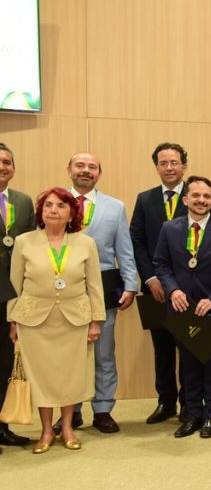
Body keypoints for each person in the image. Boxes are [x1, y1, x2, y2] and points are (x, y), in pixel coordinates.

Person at [8, 188, 105, 453]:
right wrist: (12, 320)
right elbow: (15, 284)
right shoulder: (24, 242)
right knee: (42, 377)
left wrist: (96, 321)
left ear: (71, 213)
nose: (54, 210)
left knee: (70, 377)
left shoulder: (86, 243)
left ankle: (68, 428)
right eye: (48, 205)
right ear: (41, 212)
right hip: (34, 321)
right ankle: (46, 431)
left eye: (61, 205)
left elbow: (94, 285)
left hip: (74, 320)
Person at [154, 176, 211, 439]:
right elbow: (161, 264)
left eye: (206, 196)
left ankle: (210, 416)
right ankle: (193, 415)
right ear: (186, 199)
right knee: (189, 367)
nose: (201, 200)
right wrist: (173, 290)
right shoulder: (169, 228)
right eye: (196, 196)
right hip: (182, 310)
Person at [65, 152, 138, 435]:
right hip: (64, 288)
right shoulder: (56, 202)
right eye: (80, 165)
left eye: (92, 167)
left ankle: (103, 409)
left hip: (104, 285)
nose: (86, 170)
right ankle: (70, 411)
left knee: (104, 352)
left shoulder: (115, 207)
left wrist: (130, 285)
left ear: (99, 173)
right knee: (69, 354)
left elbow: (124, 249)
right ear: (69, 169)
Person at [130, 142, 188, 424]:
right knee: (161, 349)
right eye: (163, 163)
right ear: (156, 167)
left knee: (189, 347)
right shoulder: (145, 199)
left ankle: (189, 402)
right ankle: (166, 401)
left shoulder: (197, 195)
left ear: (184, 166)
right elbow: (136, 241)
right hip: (154, 288)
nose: (169, 168)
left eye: (174, 162)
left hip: (188, 288)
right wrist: (150, 277)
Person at [0, 143, 36, 449]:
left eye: (7, 162)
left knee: (4, 362)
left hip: (11, 293)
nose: (3, 167)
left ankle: (2, 426)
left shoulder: (23, 201)